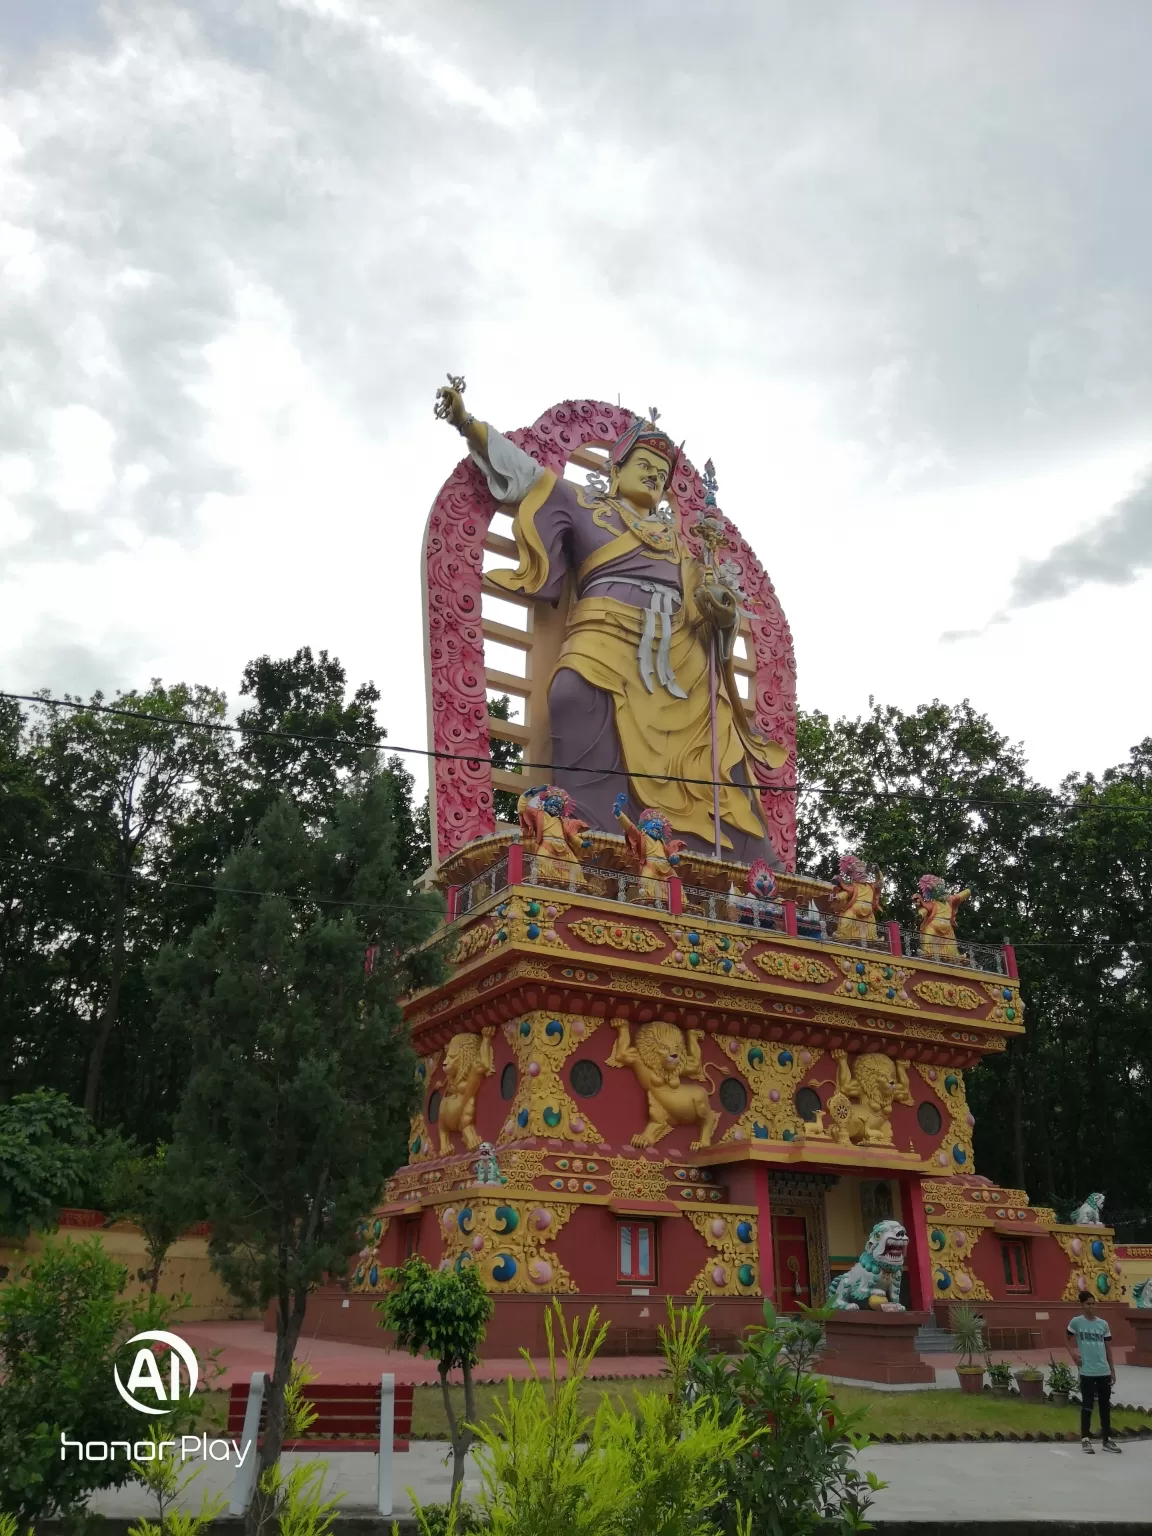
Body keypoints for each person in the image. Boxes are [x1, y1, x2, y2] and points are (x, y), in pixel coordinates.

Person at [435, 383, 786, 863]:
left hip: (679, 655)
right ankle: (591, 839)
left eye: (662, 475)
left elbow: (708, 613)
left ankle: (738, 865)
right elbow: (522, 472)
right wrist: (466, 422)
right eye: (644, 465)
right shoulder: (582, 504)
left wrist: (721, 615)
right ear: (614, 470)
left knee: (718, 735)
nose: (654, 477)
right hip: (604, 632)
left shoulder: (681, 545)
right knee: (573, 695)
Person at [1067, 1289, 1121, 1453]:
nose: (1091, 1307)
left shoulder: (1103, 1324)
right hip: (1087, 1371)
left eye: (1093, 1303)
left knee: (1105, 1406)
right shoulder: (1076, 1322)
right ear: (1082, 1305)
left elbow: (1108, 1348)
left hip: (1102, 1370)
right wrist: (1074, 1355)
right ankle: (1085, 1439)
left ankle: (1107, 1440)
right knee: (1087, 1405)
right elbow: (1066, 1338)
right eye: (1088, 1304)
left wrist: (1112, 1369)